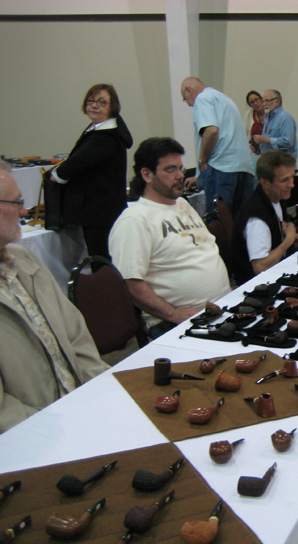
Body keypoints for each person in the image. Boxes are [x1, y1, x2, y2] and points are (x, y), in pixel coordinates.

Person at [0, 161, 108, 432]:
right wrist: (58, 430)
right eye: (16, 203)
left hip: (81, 412)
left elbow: (76, 335)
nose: (24, 211)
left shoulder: (23, 259)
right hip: (33, 439)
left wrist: (105, 395)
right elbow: (4, 412)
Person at [109, 137, 230, 339]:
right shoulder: (134, 220)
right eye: (170, 170)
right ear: (147, 174)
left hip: (218, 308)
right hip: (176, 322)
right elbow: (131, 285)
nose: (180, 176)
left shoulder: (182, 204)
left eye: (180, 169)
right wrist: (174, 314)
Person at [49, 83, 133, 262]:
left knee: (103, 260)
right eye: (91, 101)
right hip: (99, 209)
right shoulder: (98, 130)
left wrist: (56, 175)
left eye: (102, 102)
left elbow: (75, 164)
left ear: (113, 107)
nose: (94, 105)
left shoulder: (106, 136)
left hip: (101, 211)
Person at [231, 151, 298, 284]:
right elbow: (260, 267)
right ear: (265, 183)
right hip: (256, 286)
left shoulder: (276, 197)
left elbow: (280, 230)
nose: (291, 184)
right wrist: (288, 240)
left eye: (292, 178)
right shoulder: (257, 218)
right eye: (284, 180)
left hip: (277, 272)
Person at [180, 77, 256, 214]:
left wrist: (202, 160)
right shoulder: (226, 100)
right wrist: (197, 177)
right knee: (241, 221)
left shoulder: (202, 99)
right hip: (245, 169)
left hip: (222, 169)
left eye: (185, 99)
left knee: (219, 222)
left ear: (189, 90)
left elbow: (211, 131)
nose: (189, 105)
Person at [253, 90, 298, 158]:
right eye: (263, 101)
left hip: (282, 164)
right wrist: (256, 148)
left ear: (277, 102)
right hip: (269, 163)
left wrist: (267, 140)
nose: (264, 104)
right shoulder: (268, 117)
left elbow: (288, 142)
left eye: (267, 101)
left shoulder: (285, 118)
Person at [244, 90, 266, 155]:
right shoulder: (249, 114)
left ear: (261, 99)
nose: (255, 103)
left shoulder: (270, 112)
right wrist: (248, 145)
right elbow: (245, 133)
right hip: (254, 152)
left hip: (268, 150)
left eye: (256, 100)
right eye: (252, 102)